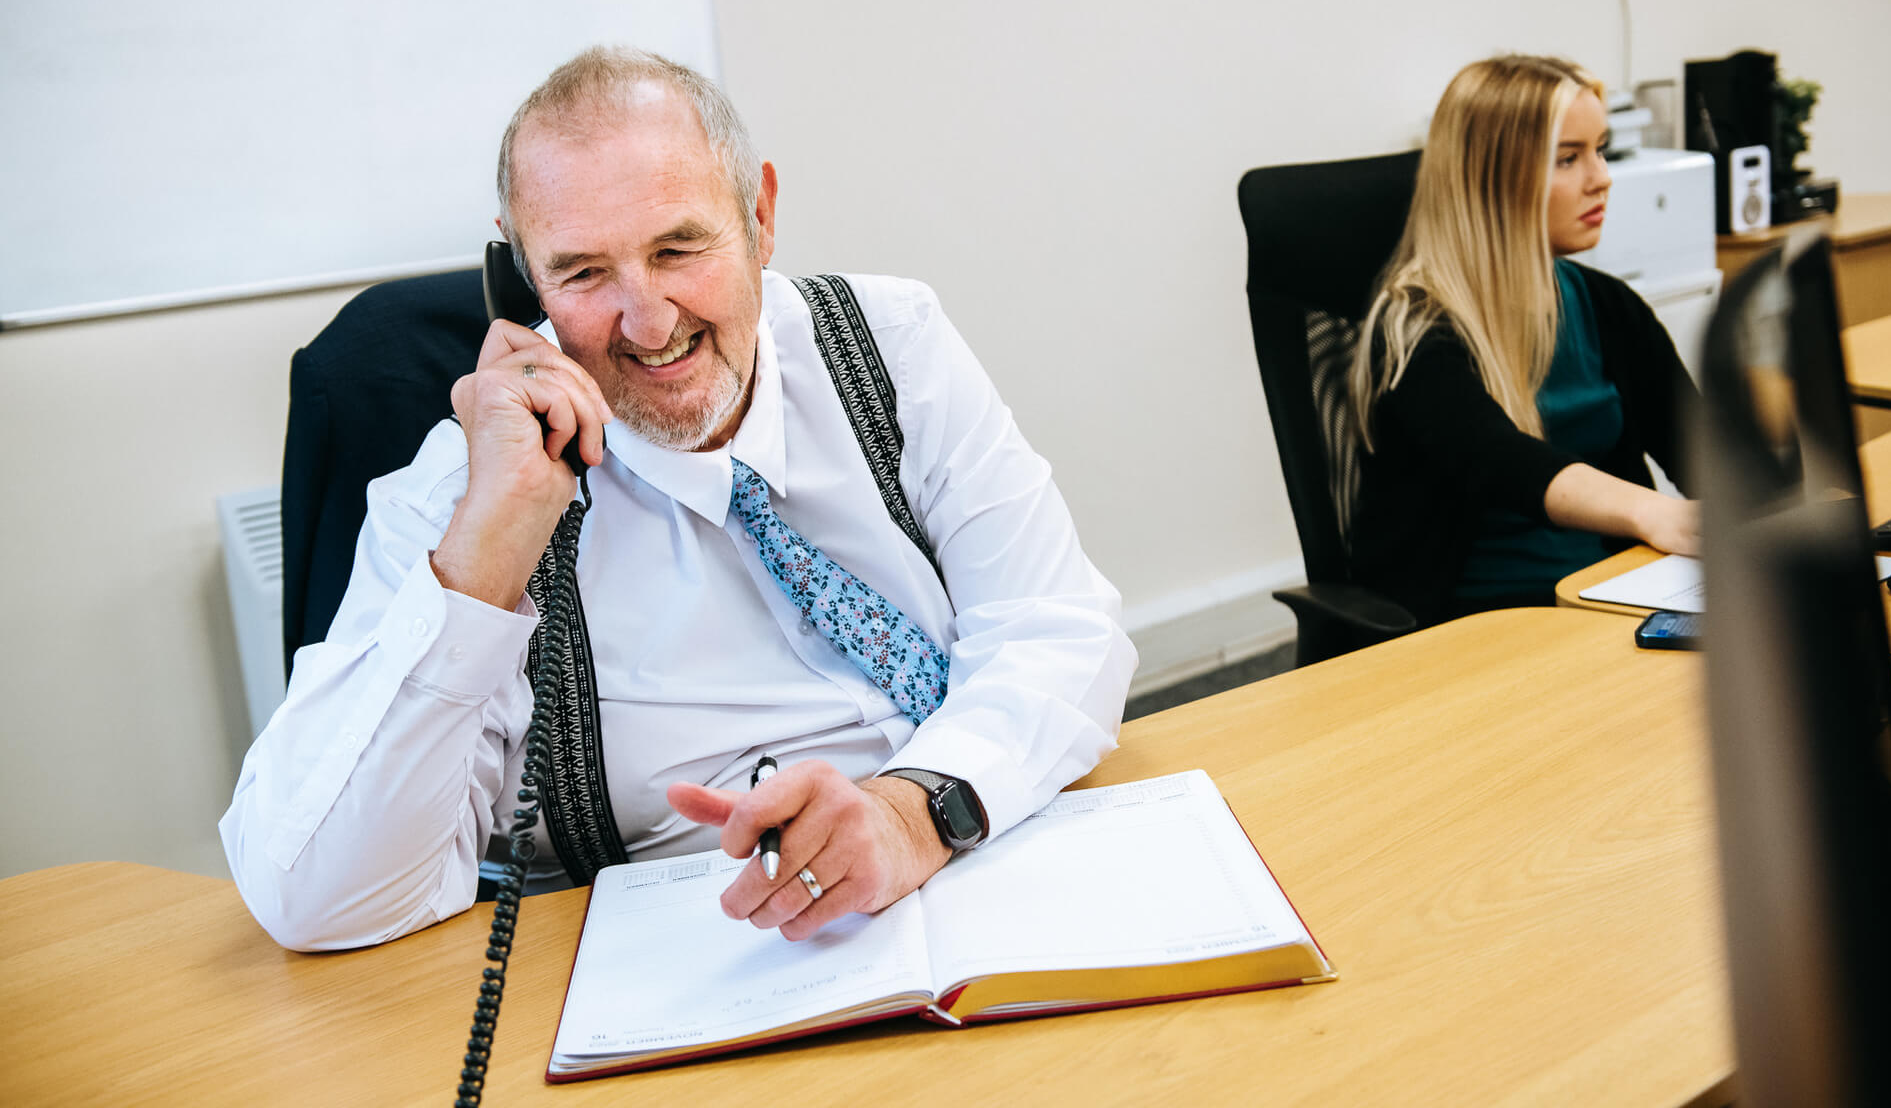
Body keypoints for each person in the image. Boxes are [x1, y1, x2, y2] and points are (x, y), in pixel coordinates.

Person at [220, 47, 1136, 951]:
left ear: (762, 215)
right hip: (712, 957)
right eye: (582, 273)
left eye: (678, 247)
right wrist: (488, 555)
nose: (649, 321)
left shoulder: (891, 346)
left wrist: (911, 813)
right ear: (520, 279)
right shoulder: (462, 496)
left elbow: (1057, 628)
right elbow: (314, 900)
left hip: (981, 849)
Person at [1344, 54, 1698, 627]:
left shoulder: (1608, 306)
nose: (1601, 177)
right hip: (1484, 624)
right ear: (1490, 179)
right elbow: (1506, 464)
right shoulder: (1412, 329)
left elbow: (1702, 448)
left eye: (1601, 149)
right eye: (1568, 158)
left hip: (1615, 591)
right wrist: (1650, 510)